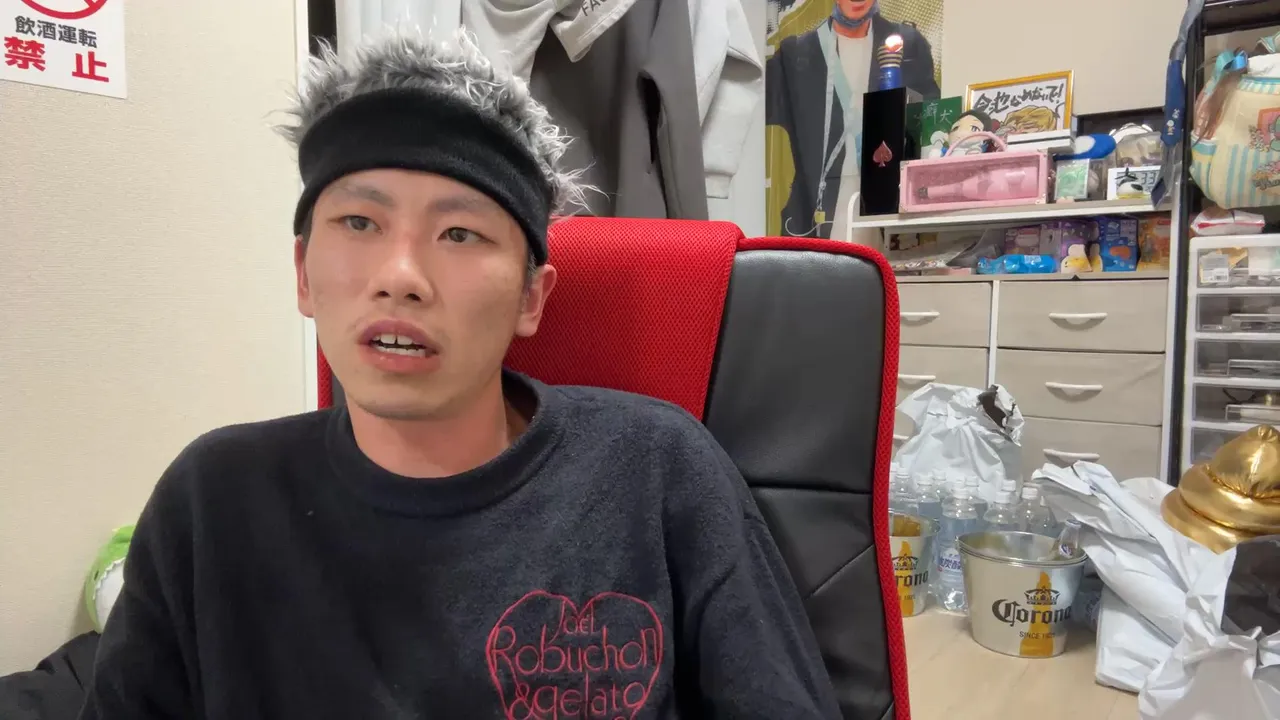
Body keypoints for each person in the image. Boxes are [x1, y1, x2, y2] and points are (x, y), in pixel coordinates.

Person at [78, 30, 843, 720]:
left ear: (531, 297)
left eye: (459, 233)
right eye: (359, 222)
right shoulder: (212, 500)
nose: (401, 276)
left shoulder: (656, 468)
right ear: (304, 274)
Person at [766, 0, 939, 239]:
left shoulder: (908, 44)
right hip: (818, 209)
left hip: (891, 200)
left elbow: (929, 116)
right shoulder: (796, 53)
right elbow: (755, 103)